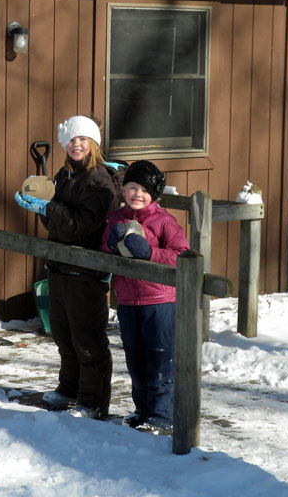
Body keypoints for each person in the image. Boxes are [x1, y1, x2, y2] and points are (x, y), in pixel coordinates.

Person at [14, 115, 118, 420]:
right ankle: (69, 389)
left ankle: (93, 401)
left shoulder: (99, 181)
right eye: (72, 140)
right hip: (60, 266)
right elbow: (56, 224)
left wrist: (50, 208)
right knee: (64, 335)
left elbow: (82, 226)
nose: (77, 145)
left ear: (94, 144)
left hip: (85, 268)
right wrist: (40, 202)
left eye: (83, 139)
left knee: (87, 339)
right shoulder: (64, 175)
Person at [101, 160, 189, 430]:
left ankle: (162, 416)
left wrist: (149, 253)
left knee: (159, 360)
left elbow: (181, 256)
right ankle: (142, 410)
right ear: (123, 190)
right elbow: (104, 251)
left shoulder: (164, 221)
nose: (136, 194)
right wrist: (112, 244)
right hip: (127, 301)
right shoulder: (117, 218)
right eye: (131, 188)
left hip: (160, 302)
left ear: (154, 194)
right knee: (135, 359)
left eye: (143, 190)